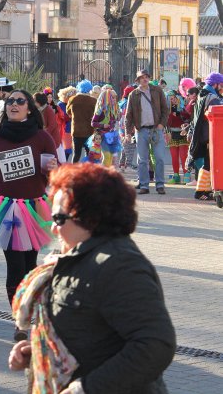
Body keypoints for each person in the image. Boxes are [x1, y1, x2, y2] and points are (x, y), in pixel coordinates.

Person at [9, 163, 176, 394]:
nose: (54, 230)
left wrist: (86, 388)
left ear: (89, 217)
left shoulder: (119, 265)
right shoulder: (71, 258)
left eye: (58, 218)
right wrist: (39, 351)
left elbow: (155, 345)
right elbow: (85, 333)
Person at [0, 89, 58, 340]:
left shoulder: (42, 137)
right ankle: (21, 321)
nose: (13, 104)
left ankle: (31, 312)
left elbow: (53, 173)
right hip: (6, 210)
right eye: (9, 101)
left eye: (19, 101)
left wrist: (53, 171)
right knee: (14, 267)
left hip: (34, 208)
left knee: (29, 267)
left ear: (29, 108)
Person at [125, 69, 169, 195]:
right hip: (141, 130)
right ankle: (144, 185)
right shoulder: (133, 94)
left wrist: (161, 125)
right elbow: (129, 116)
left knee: (160, 158)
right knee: (142, 160)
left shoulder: (157, 90)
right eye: (142, 77)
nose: (145, 79)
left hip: (156, 129)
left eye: (146, 77)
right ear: (138, 80)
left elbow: (165, 110)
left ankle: (160, 184)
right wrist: (128, 132)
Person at [186, 72, 223, 200]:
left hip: (202, 135)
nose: (222, 87)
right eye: (221, 84)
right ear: (215, 84)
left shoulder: (202, 94)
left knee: (208, 163)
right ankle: (202, 191)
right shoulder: (212, 97)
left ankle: (203, 190)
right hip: (211, 135)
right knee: (210, 163)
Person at [91, 85, 121, 167]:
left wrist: (118, 114)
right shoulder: (100, 110)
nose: (115, 99)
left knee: (111, 157)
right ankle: (103, 175)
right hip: (102, 135)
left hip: (111, 135)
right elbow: (93, 123)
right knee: (107, 156)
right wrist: (103, 125)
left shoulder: (114, 109)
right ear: (107, 98)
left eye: (115, 97)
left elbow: (117, 120)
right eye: (113, 97)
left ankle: (107, 174)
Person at [67, 81, 96, 162]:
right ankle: (88, 171)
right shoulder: (93, 101)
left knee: (76, 154)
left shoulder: (73, 99)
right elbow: (96, 115)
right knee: (89, 153)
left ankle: (74, 172)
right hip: (89, 131)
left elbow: (68, 113)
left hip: (77, 130)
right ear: (90, 88)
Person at [165, 91, 190, 184]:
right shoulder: (167, 111)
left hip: (183, 133)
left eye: (175, 98)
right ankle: (176, 176)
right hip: (172, 134)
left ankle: (186, 174)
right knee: (174, 157)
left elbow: (187, 119)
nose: (173, 100)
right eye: (171, 99)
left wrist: (179, 113)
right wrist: (167, 133)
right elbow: (166, 123)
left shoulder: (184, 109)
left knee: (184, 156)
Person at [34, 92, 65, 162]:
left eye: (35, 101)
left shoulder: (48, 110)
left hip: (53, 138)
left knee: (59, 160)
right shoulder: (40, 110)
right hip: (47, 138)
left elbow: (52, 125)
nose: (33, 103)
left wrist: (43, 134)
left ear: (39, 102)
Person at [118, 85, 137, 171]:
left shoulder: (121, 102)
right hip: (128, 127)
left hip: (121, 128)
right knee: (130, 146)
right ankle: (128, 165)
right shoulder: (128, 102)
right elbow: (129, 117)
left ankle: (122, 164)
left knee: (125, 146)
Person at [57, 86, 76, 162]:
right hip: (64, 130)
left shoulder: (71, 104)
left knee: (68, 150)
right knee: (65, 150)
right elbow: (62, 117)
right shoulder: (61, 104)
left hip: (70, 129)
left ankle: (64, 164)